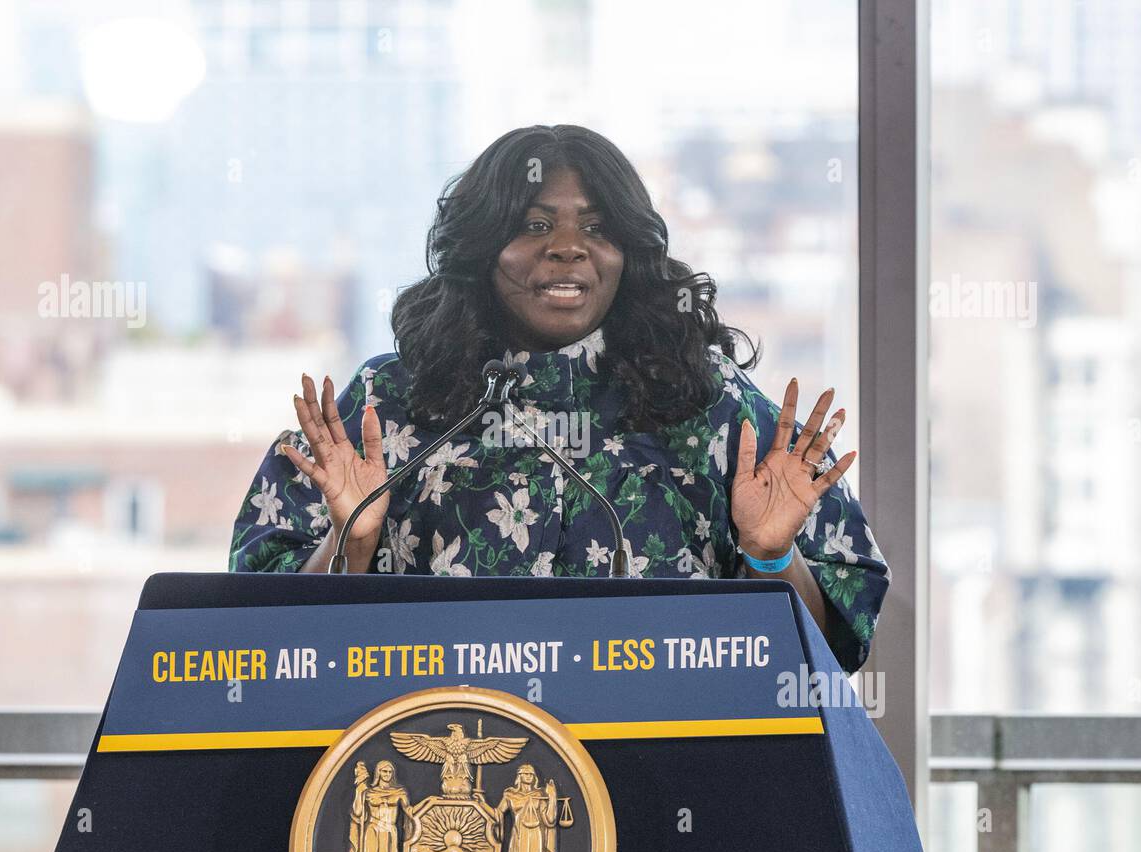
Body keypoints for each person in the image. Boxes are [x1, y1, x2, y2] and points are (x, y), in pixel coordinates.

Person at [229, 125, 890, 673]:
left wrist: (772, 555)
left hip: (667, 783)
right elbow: (271, 647)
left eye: (597, 229)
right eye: (534, 224)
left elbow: (829, 654)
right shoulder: (387, 406)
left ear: (626, 252)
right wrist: (353, 540)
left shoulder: (710, 406)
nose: (568, 248)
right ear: (484, 247)